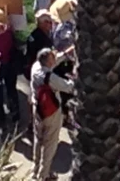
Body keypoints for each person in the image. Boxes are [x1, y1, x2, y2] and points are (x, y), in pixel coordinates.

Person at [30, 48, 75, 181]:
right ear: (48, 61)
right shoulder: (50, 78)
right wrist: (75, 78)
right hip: (51, 113)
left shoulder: (36, 67)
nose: (55, 58)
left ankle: (35, 170)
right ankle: (43, 176)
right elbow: (68, 87)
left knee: (38, 140)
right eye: (52, 58)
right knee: (50, 144)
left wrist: (66, 54)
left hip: (37, 110)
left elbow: (53, 63)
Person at [26, 10, 55, 76]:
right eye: (49, 22)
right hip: (39, 70)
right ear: (42, 23)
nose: (51, 24)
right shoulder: (38, 37)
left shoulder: (45, 34)